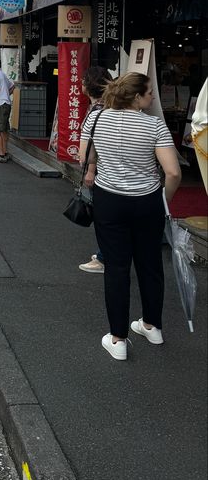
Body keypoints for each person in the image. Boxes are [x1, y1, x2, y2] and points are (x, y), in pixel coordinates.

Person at [79, 73, 182, 361]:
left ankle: (118, 339)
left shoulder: (97, 119)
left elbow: (82, 157)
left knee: (117, 267)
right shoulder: (154, 125)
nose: (152, 98)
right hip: (147, 202)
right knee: (150, 264)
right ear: (136, 97)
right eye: (150, 93)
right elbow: (173, 172)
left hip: (109, 200)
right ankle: (152, 326)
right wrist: (164, 201)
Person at [78, 66, 112, 274]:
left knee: (103, 218)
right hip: (108, 172)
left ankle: (103, 257)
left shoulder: (98, 111)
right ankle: (104, 254)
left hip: (102, 173)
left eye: (83, 80)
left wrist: (91, 170)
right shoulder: (109, 107)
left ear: (89, 86)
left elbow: (93, 147)